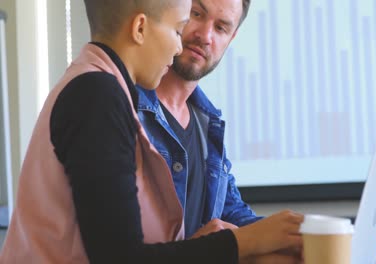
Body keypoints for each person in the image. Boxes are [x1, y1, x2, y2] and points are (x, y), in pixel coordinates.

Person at [0, 0, 303, 263]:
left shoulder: (110, 93)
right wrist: (240, 244)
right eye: (180, 26)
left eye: (222, 27)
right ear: (140, 28)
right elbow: (122, 258)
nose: (180, 44)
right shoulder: (99, 96)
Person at [136, 0, 261, 240]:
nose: (205, 36)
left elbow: (232, 212)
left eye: (221, 28)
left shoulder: (208, 124)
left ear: (231, 39)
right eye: (196, 14)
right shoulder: (122, 106)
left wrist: (294, 234)